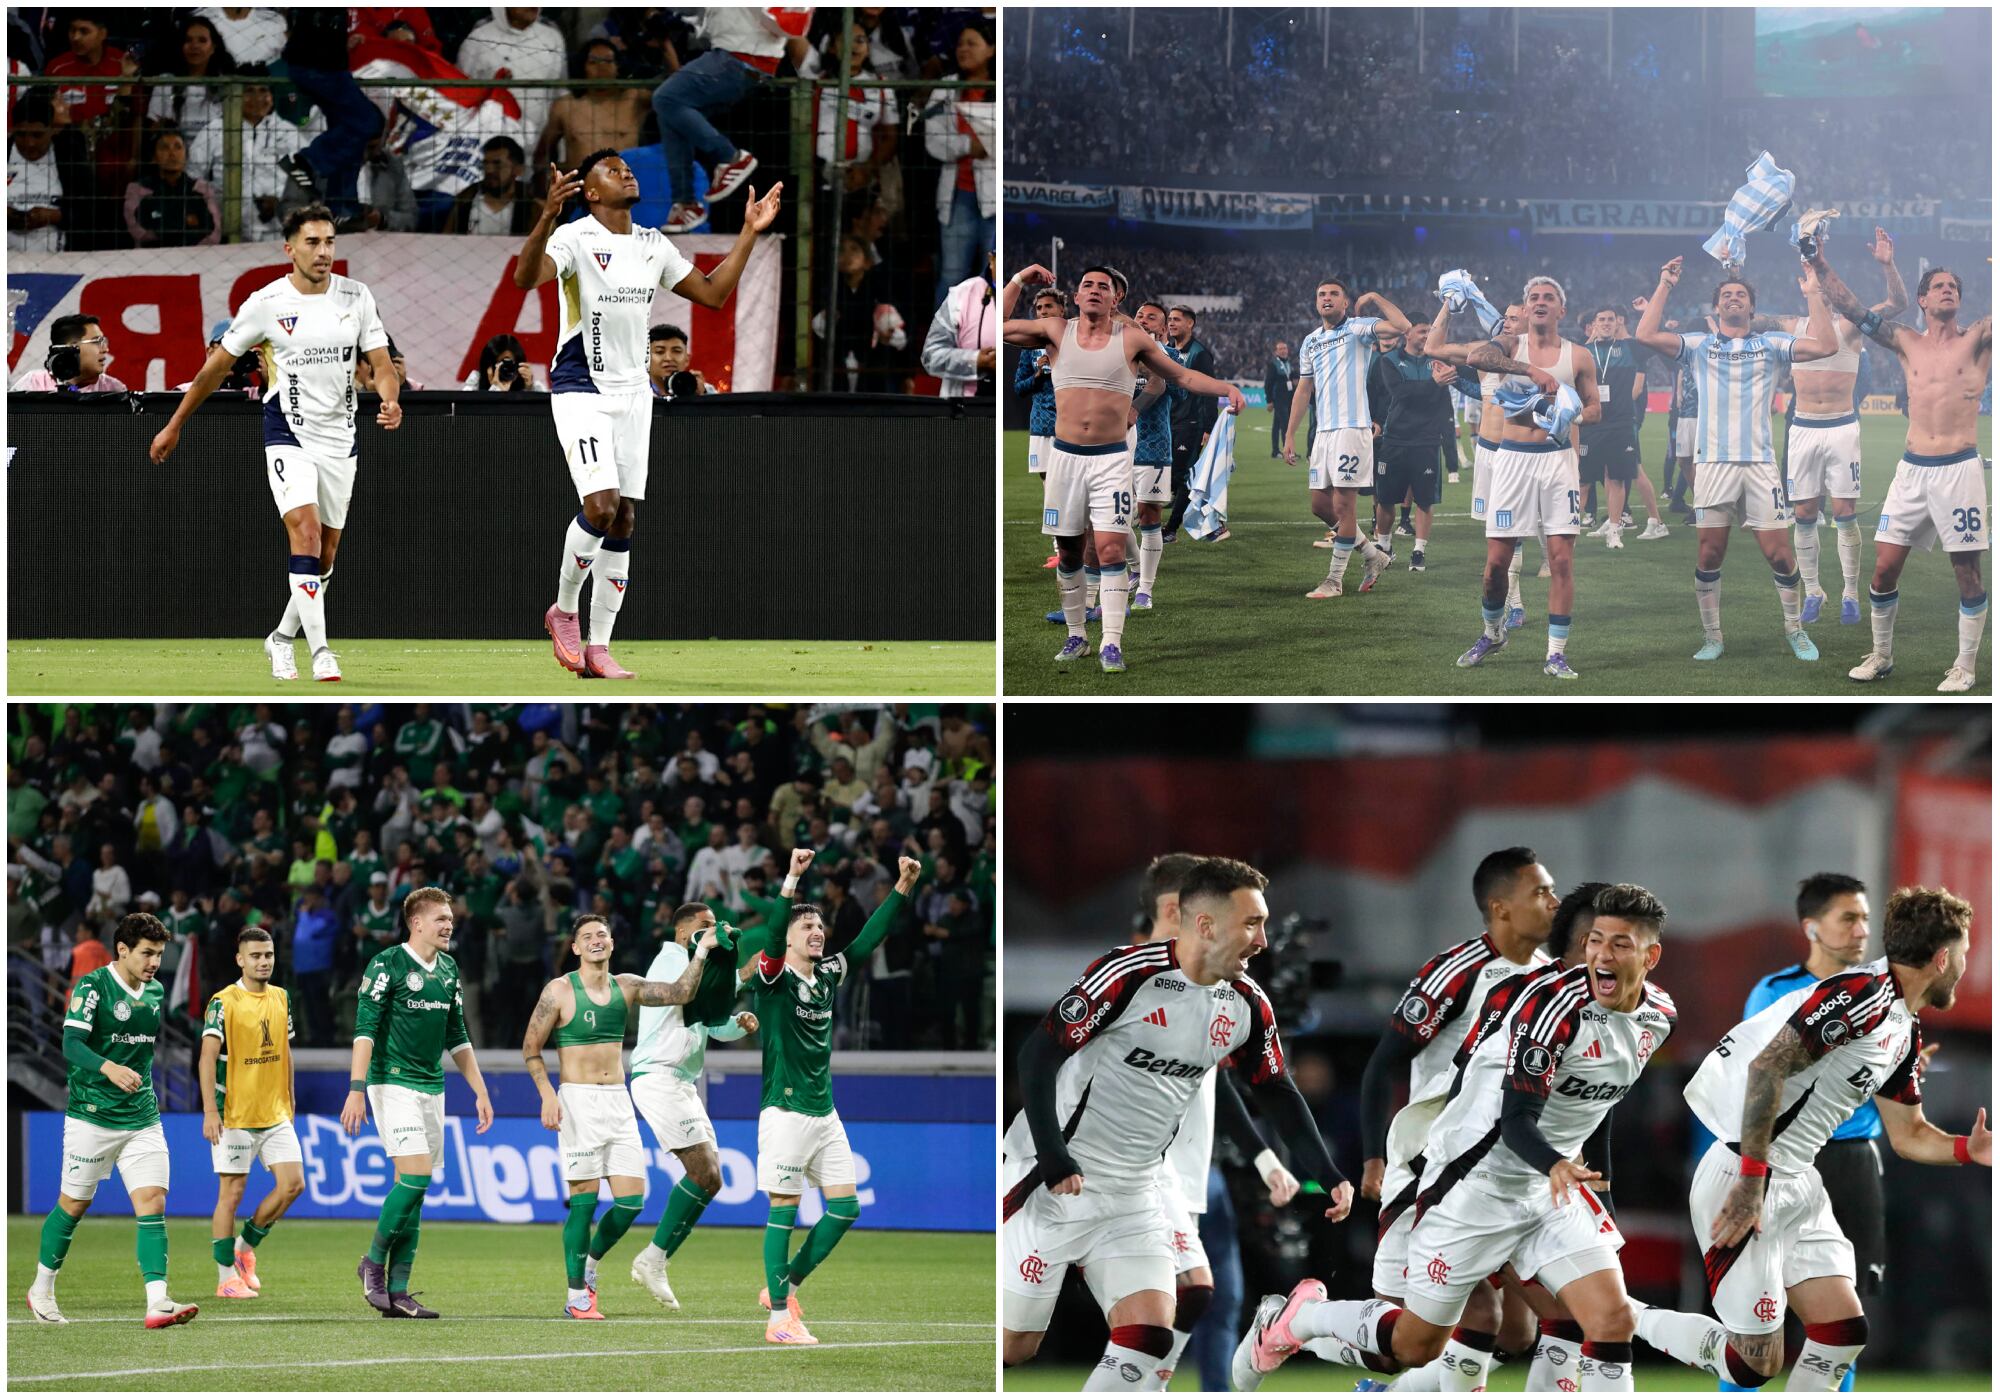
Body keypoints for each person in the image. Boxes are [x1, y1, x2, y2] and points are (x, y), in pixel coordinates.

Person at [1240, 884, 1676, 1393]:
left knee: (1608, 1320)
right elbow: (1516, 1121)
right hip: (1474, 1185)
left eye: (1620, 944)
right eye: (1596, 940)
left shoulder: (1659, 1015)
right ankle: (1302, 1319)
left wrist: (1596, 1188)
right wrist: (1555, 1164)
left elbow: (1599, 1103)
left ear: (1651, 956)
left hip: (1546, 1193)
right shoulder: (1552, 1006)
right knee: (1411, 1346)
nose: (1602, 954)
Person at [1003, 857, 1354, 1389]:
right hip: (1051, 1178)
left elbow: (1275, 1089)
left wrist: (1327, 1172)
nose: (1262, 940)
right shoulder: (1129, 975)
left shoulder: (1246, 1004)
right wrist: (1053, 1156)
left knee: (1149, 1336)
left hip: (1137, 1189)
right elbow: (1037, 1056)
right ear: (1207, 925)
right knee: (1015, 1349)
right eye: (1252, 923)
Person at [1635, 886, 1991, 1388]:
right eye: (1965, 951)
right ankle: (1621, 1314)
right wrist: (1753, 1181)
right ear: (1941, 957)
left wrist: (1967, 1149)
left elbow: (1909, 1135)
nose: (1967, 962)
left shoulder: (1902, 1029)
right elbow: (1768, 1066)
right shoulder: (1862, 996)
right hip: (1743, 1172)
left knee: (1843, 1332)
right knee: (1752, 1363)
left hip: (1799, 1180)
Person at [515, 149, 782, 680]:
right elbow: (526, 279)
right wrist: (546, 216)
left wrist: (749, 231)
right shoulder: (575, 237)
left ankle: (600, 649)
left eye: (627, 167)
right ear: (590, 192)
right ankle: (563, 610)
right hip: (581, 387)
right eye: (612, 170)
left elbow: (713, 293)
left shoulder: (651, 244)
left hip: (635, 393)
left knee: (625, 518)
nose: (626, 172)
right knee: (601, 504)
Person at [150, 203, 403, 685]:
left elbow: (382, 363)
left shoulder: (357, 296)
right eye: (313, 242)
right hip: (287, 432)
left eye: (329, 241)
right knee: (304, 533)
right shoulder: (266, 303)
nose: (323, 251)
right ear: (289, 249)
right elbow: (216, 368)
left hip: (340, 438)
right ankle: (322, 652)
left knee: (325, 556)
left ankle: (281, 638)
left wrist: (390, 400)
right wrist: (175, 423)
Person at [1341, 848, 1559, 1389]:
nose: (1554, 902)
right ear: (1501, 907)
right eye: (1541, 892)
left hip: (1502, 1168)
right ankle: (1298, 1322)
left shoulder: (1554, 978)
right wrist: (1373, 1156)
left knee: (1516, 1334)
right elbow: (1381, 1067)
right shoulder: (1458, 972)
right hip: (1429, 1165)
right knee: (1404, 1343)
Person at [1003, 264, 1245, 675]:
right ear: (1076, 297)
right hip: (1064, 460)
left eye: (1104, 287)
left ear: (1117, 299)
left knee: (1112, 549)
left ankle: (1111, 642)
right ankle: (1077, 635)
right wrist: (1018, 281)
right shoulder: (1057, 330)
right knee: (1069, 553)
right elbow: (1001, 326)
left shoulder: (1131, 338)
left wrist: (1226, 388)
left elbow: (1181, 375)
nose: (1095, 290)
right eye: (1087, 285)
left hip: (1112, 460)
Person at [1129, 854, 1300, 1390]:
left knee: (1215, 1297)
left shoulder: (1218, 989)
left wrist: (1265, 1156)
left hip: (1199, 1172)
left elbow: (1217, 1083)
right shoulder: (1123, 980)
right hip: (1129, 1177)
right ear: (1171, 910)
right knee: (1152, 1311)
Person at [741, 851, 919, 1345]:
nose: (817, 933)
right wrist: (792, 878)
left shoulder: (825, 976)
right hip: (786, 1111)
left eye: (820, 926)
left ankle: (784, 1288)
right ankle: (779, 1320)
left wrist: (903, 886)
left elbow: (866, 942)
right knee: (785, 1207)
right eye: (807, 929)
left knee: (845, 1210)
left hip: (825, 1113)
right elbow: (774, 936)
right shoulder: (774, 978)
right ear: (790, 940)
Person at [1634, 255, 1837, 664]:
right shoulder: (1697, 346)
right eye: (1726, 294)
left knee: (1780, 554)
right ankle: (1713, 637)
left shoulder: (1773, 346)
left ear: (1751, 308)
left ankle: (1795, 630)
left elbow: (1828, 345)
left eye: (1740, 295)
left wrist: (1814, 292)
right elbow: (1645, 334)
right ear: (1717, 307)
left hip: (1760, 466)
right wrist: (1665, 285)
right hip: (1713, 466)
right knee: (1709, 554)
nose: (1733, 298)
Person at [1806, 248, 1992, 691]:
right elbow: (1851, 308)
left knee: (1967, 573)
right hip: (1911, 472)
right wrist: (1818, 262)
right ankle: (1882, 656)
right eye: (1939, 286)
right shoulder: (1906, 339)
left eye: (1954, 287)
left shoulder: (1981, 335)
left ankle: (1965, 665)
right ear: (1923, 299)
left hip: (1959, 469)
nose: (1948, 290)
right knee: (1883, 570)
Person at [520, 910, 716, 1318]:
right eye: (587, 936)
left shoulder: (626, 986)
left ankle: (589, 1267)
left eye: (602, 934)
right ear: (575, 947)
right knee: (584, 1203)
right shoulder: (558, 991)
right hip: (577, 1102)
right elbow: (531, 1048)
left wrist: (701, 955)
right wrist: (547, 1095)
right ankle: (576, 1295)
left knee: (631, 1203)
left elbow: (682, 993)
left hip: (618, 1101)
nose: (596, 940)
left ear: (611, 944)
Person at [28, 913, 199, 1328]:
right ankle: (41, 1289)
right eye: (147, 953)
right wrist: (108, 1068)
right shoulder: (93, 986)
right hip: (92, 1116)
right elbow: (70, 1042)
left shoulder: (156, 990)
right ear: (122, 950)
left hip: (141, 1116)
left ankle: (158, 1301)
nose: (154, 962)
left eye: (159, 954)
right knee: (73, 1205)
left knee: (153, 1203)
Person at [341, 885, 494, 1318]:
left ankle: (400, 1290)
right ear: (417, 923)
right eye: (441, 918)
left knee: (415, 1191)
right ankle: (372, 1262)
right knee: (417, 1175)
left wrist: (479, 1090)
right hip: (392, 1083)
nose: (450, 924)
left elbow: (457, 1036)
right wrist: (356, 1089)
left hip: (433, 1087)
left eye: (451, 918)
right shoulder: (386, 965)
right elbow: (365, 1029)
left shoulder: (448, 968)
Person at [1449, 276, 1601, 677]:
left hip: (1557, 461)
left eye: (1548, 297)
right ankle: (1493, 633)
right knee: (1496, 564)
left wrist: (1571, 414)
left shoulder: (1579, 355)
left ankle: (1555, 654)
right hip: (1512, 459)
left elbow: (1595, 409)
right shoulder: (1509, 346)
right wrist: (1531, 371)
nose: (1540, 302)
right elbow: (1477, 358)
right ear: (1525, 305)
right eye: (1533, 296)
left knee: (1561, 560)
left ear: (1561, 310)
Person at [1759, 230, 1908, 625]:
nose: (1820, 286)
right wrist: (1733, 266)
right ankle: (1814, 592)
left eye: (1824, 281)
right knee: (1804, 512)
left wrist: (1887, 264)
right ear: (1803, 284)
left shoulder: (1851, 325)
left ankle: (1848, 593)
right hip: (1803, 427)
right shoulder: (1790, 325)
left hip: (1841, 426)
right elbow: (1743, 319)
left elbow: (1898, 303)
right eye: (1812, 280)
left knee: (1844, 511)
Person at [625, 900, 758, 1306]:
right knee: (703, 1171)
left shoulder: (701, 965)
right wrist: (740, 977)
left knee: (712, 1178)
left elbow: (711, 1020)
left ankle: (655, 1258)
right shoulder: (669, 960)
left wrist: (738, 1023)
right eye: (707, 925)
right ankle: (653, 1258)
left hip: (682, 1082)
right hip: (657, 1076)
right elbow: (688, 994)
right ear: (684, 932)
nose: (715, 931)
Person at [1284, 277, 1411, 601]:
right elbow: (1303, 389)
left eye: (1334, 295)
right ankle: (1372, 555)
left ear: (1344, 302)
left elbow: (1402, 325)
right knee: (1319, 505)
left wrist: (1375, 295)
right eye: (1321, 294)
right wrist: (1289, 435)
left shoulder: (1358, 329)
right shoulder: (1311, 341)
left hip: (1352, 430)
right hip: (1324, 432)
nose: (1326, 299)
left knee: (1344, 505)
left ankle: (1334, 580)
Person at [199, 926, 303, 1300]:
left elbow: (286, 1052)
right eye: (256, 956)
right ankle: (226, 1276)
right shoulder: (223, 1002)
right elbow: (207, 1057)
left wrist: (290, 1098)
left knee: (293, 1185)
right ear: (240, 959)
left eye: (269, 955)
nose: (264, 962)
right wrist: (210, 1110)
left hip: (275, 1113)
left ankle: (245, 1247)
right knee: (231, 1193)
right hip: (235, 1115)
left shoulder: (281, 997)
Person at [649, 8, 806, 233]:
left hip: (739, 57)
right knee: (670, 110)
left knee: (665, 98)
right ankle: (685, 204)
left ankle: (730, 157)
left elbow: (787, 21)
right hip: (740, 57)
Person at [1430, 298, 1534, 625]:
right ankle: (1511, 602)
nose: (1507, 322)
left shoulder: (1534, 357)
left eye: (1515, 318)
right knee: (1494, 532)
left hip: (1514, 453)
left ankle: (1515, 605)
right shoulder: (1482, 351)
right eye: (1505, 317)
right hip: (1485, 452)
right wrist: (1449, 303)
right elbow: (1434, 348)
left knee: (1511, 532)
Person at [1580, 305, 1670, 549]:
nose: (1607, 323)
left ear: (1618, 323)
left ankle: (1614, 529)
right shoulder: (1584, 352)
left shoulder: (1631, 349)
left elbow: (1653, 336)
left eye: (1611, 319)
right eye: (1602, 319)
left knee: (1617, 477)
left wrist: (1649, 310)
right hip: (1592, 422)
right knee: (1582, 480)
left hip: (1621, 424)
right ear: (1594, 324)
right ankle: (1568, 531)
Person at [1366, 322, 1453, 573]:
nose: (1427, 336)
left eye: (1429, 331)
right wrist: (1433, 384)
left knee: (1425, 500)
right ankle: (1384, 547)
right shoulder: (1389, 360)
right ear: (1407, 334)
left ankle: (1418, 552)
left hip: (1426, 440)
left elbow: (1442, 399)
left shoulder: (1436, 360)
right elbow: (1400, 391)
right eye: (1422, 331)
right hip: (1395, 439)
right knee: (1385, 499)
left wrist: (1446, 435)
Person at [922, 22, 995, 308]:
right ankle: (944, 342)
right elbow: (934, 139)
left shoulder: (1002, 88)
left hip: (994, 199)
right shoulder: (946, 89)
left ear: (991, 50)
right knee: (952, 275)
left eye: (972, 43)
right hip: (957, 197)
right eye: (960, 43)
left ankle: (983, 342)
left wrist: (979, 144)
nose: (963, 49)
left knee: (991, 275)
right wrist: (971, 146)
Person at [184, 67, 302, 243]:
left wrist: (283, 202)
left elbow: (307, 180)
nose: (257, 98)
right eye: (249, 91)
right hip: (227, 234)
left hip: (282, 233)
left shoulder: (288, 132)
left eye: (263, 91)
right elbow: (192, 179)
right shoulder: (213, 131)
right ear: (235, 94)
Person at [537, 39, 652, 174]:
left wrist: (666, 47)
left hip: (625, 187)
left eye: (608, 61)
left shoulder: (635, 98)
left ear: (618, 67)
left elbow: (674, 94)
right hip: (580, 188)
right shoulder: (565, 105)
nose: (601, 68)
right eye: (593, 62)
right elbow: (543, 152)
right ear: (583, 67)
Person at [1128, 301, 1177, 606]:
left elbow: (1171, 388)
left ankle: (1145, 589)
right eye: (1139, 315)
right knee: (1111, 518)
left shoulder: (1168, 356)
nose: (1144, 320)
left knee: (1149, 516)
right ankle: (1134, 568)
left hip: (1153, 445)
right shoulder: (1118, 351)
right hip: (1115, 445)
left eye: (1152, 318)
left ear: (1162, 328)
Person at [1163, 305, 1220, 542]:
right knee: (1175, 477)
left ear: (1190, 324)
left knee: (1183, 476)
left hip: (1191, 423)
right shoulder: (1167, 351)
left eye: (1177, 319)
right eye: (1169, 319)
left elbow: (1209, 390)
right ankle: (1212, 519)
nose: (1171, 323)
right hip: (1170, 421)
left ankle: (1172, 529)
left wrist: (1208, 426)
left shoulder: (1199, 353)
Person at [124, 128, 221, 247]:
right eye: (164, 148)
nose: (172, 153)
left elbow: (214, 234)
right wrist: (186, 224)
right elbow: (138, 232)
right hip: (151, 258)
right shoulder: (137, 189)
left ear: (186, 155)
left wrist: (163, 224)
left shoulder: (201, 188)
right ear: (153, 157)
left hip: (195, 258)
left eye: (178, 147)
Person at [921, 247, 994, 397]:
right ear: (991, 260)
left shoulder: (1031, 301)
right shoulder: (962, 295)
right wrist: (975, 360)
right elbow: (931, 356)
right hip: (965, 411)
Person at [11, 313, 128, 393]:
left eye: (104, 341)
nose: (105, 349)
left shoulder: (114, 389)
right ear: (70, 347)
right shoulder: (33, 383)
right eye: (97, 342)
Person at [444, 134, 536, 235]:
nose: (489, 170)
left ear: (518, 170)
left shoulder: (533, 207)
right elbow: (447, 240)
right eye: (485, 163)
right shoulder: (465, 200)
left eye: (497, 164)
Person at [1016, 288, 1064, 478]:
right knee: (1047, 478)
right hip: (1041, 422)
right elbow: (1019, 388)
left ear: (1061, 310)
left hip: (1070, 422)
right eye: (1039, 307)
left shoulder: (1075, 340)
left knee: (1070, 478)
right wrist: (1037, 375)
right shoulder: (1029, 346)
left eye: (1048, 306)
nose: (1043, 311)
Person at [8, 91, 64, 253]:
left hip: (58, 259)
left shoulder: (68, 155)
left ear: (52, 130)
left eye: (37, 135)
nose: (29, 143)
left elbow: (91, 212)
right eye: (21, 135)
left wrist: (55, 216)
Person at [647, 324, 711, 397]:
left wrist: (701, 398)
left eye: (677, 351)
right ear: (646, 359)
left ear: (687, 359)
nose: (669, 358)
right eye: (660, 351)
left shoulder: (706, 391)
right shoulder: (635, 393)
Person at [469, 333, 537, 391]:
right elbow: (464, 405)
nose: (505, 370)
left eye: (510, 365)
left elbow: (545, 405)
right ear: (489, 367)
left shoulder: (531, 386)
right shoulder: (474, 382)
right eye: (501, 365)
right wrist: (495, 390)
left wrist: (529, 389)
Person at [1263, 341, 1296, 459]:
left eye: (1285, 348)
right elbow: (1268, 384)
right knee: (1285, 425)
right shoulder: (1273, 364)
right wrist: (1269, 400)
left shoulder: (1288, 364)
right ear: (1276, 352)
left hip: (1288, 400)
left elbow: (1291, 379)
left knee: (1277, 425)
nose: (1283, 350)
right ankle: (1288, 451)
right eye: (1281, 349)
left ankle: (1275, 451)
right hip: (1278, 400)